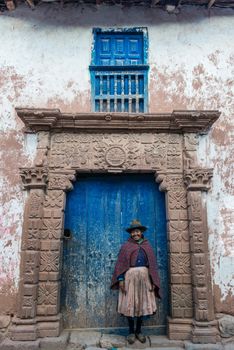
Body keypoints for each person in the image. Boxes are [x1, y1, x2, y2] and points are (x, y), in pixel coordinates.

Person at [111, 219, 161, 344]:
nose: (135, 234)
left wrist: (153, 281)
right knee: (130, 304)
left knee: (141, 304)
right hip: (130, 278)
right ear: (130, 234)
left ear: (141, 232)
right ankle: (131, 332)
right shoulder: (126, 246)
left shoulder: (147, 246)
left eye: (137, 231)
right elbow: (121, 264)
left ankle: (139, 331)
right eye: (133, 232)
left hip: (144, 278)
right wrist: (121, 279)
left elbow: (152, 266)